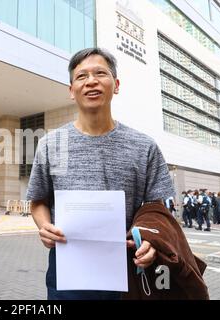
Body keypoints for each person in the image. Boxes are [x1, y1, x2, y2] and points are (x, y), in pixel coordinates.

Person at [26, 48, 175, 300]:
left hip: (130, 269)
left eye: (100, 73)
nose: (91, 81)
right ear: (71, 90)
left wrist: (151, 241)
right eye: (81, 76)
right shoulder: (51, 144)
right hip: (67, 271)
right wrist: (45, 227)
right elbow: (38, 200)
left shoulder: (144, 146)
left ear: (116, 85)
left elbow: (158, 209)